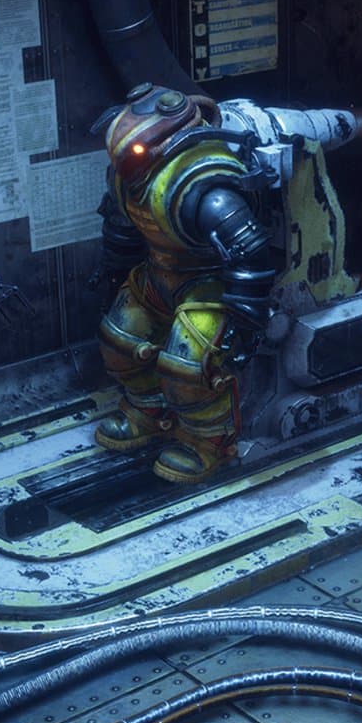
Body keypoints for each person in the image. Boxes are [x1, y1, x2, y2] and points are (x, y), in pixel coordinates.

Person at [89, 84, 279, 484]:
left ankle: (209, 440)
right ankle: (149, 411)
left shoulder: (205, 186)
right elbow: (122, 227)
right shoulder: (129, 177)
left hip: (208, 284)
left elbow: (251, 254)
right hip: (158, 274)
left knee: (189, 366)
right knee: (119, 340)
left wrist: (246, 324)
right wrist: (111, 273)